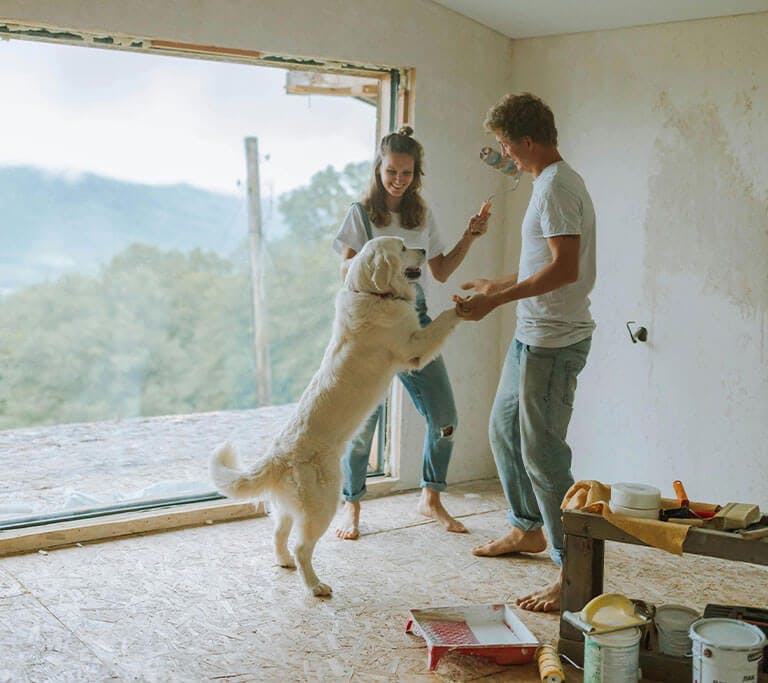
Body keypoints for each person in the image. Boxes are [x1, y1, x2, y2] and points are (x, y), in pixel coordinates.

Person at [454, 93, 596, 613]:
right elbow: (544, 263)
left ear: (528, 141)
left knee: (545, 456)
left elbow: (565, 269)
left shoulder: (558, 186)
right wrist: (500, 283)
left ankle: (572, 570)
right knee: (501, 429)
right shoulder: (546, 184)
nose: (504, 154)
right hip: (530, 335)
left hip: (554, 342)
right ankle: (527, 528)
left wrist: (494, 301)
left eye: (505, 145)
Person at [332, 126, 489, 540]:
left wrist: (469, 238)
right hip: (371, 323)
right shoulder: (361, 213)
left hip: (413, 319)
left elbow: (440, 271)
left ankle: (430, 498)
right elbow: (345, 270)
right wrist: (382, 261)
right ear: (379, 170)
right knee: (363, 423)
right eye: (391, 172)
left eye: (406, 173)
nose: (398, 179)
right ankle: (351, 505)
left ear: (415, 174)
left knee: (445, 419)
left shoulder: (422, 214)